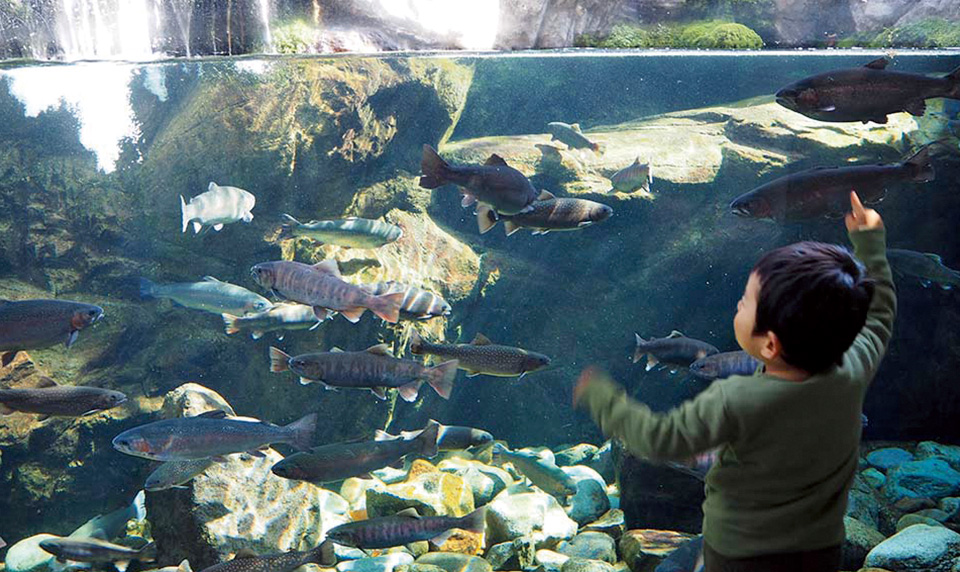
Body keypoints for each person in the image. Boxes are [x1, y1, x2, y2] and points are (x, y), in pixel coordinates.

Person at [573, 192, 896, 572]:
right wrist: (872, 249)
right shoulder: (852, 370)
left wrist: (602, 397)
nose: (739, 306)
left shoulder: (736, 398)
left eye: (747, 302)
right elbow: (879, 314)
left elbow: (657, 438)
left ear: (770, 343)